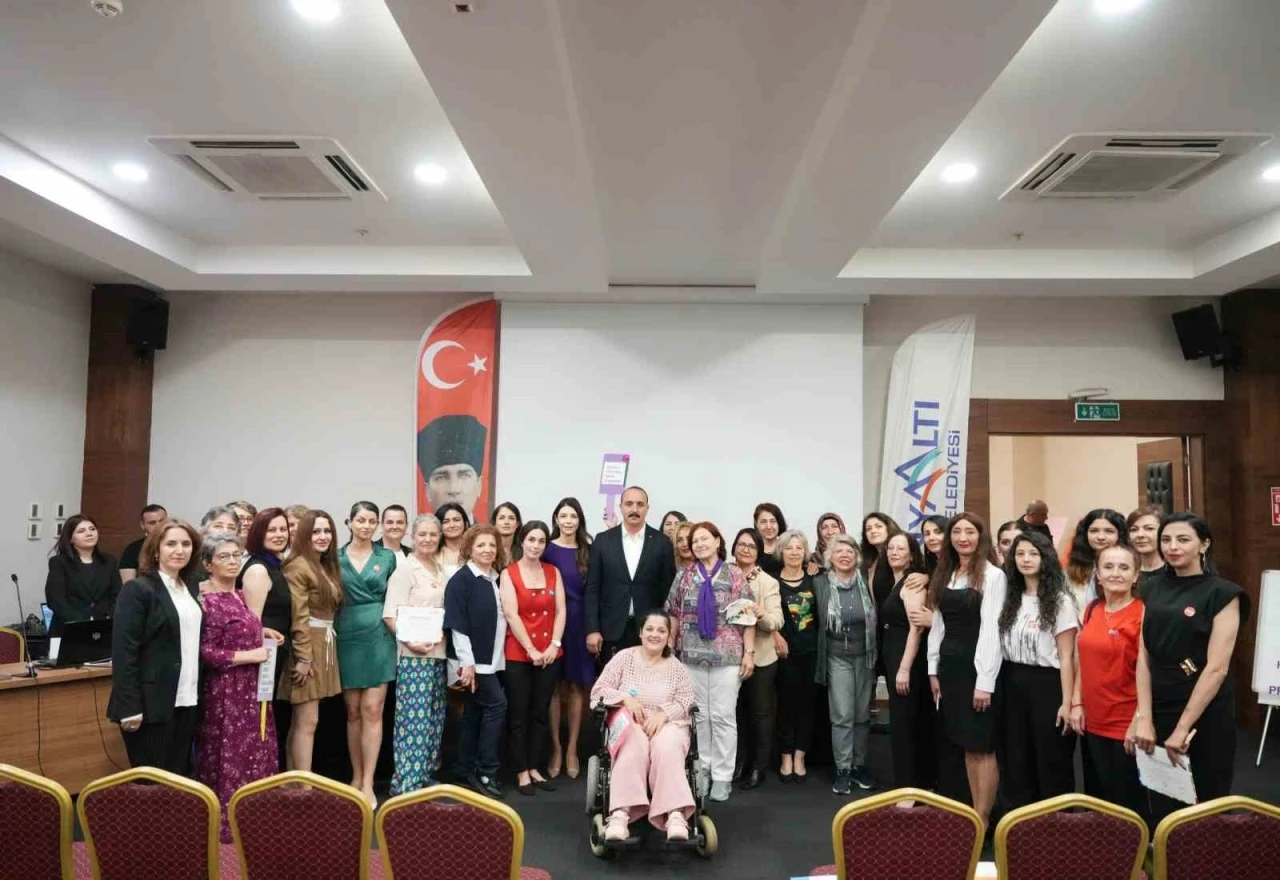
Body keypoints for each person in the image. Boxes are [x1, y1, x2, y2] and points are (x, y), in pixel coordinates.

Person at [1133, 513, 1249, 828]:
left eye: (1183, 539)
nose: (1173, 547)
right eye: (1166, 540)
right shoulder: (1151, 587)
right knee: (1163, 798)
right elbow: (1144, 655)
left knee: (1206, 800)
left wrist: (1183, 727)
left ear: (1204, 544)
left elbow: (1217, 668)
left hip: (1204, 708)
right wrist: (1144, 718)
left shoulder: (1224, 593)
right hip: (1160, 701)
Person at [194, 534, 284, 841]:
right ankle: (227, 824)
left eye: (236, 555)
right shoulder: (208, 603)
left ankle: (255, 819)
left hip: (252, 687)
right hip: (227, 690)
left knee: (256, 750)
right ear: (208, 565)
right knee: (229, 754)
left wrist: (263, 632)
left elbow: (240, 630)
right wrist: (251, 655)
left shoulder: (241, 596)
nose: (232, 561)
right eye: (224, 557)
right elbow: (207, 652)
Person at [665, 521, 754, 803]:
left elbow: (748, 617)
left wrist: (749, 653)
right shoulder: (685, 575)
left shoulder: (734, 574)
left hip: (727, 657)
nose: (699, 544)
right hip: (690, 656)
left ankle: (723, 776)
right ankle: (702, 769)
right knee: (700, 716)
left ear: (717, 541)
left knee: (723, 716)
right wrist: (670, 646)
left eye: (705, 539)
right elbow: (673, 614)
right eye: (695, 541)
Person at [927, 512, 1006, 832]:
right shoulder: (945, 572)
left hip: (978, 670)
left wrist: (984, 682)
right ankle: (974, 813)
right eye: (957, 532)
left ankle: (983, 819)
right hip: (951, 668)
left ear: (980, 536)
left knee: (981, 746)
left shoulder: (993, 576)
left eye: (970, 532)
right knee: (964, 742)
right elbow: (938, 624)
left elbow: (991, 630)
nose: (963, 537)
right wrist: (933, 669)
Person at [591, 611, 697, 843]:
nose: (654, 635)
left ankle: (675, 815)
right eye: (649, 629)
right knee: (633, 742)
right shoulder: (623, 658)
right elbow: (599, 691)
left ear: (668, 636)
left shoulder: (676, 667)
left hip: (666, 724)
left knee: (667, 745)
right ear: (640, 632)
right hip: (629, 723)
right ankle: (620, 814)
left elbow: (686, 700)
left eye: (661, 630)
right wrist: (624, 699)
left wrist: (664, 714)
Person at [107, 519, 203, 775]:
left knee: (180, 780)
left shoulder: (190, 589)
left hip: (187, 699)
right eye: (171, 544)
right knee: (153, 785)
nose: (179, 550)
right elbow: (124, 651)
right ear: (156, 550)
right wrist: (129, 707)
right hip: (150, 703)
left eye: (186, 544)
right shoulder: (139, 589)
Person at [996, 531, 1078, 808]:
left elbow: (1067, 656)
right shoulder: (1009, 597)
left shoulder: (1060, 600)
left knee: (1050, 757)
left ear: (1046, 558)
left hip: (1047, 684)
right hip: (1011, 679)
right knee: (1015, 757)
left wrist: (1067, 702)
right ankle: (1018, 822)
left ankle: (1056, 822)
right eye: (1020, 554)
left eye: (1033, 554)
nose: (1026, 559)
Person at [1071, 543, 1147, 826]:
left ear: (1135, 575)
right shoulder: (1092, 609)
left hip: (1125, 723)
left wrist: (1139, 720)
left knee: (1126, 804)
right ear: (1098, 574)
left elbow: (1149, 673)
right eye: (1109, 567)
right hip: (1092, 722)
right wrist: (1077, 703)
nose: (1116, 573)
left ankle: (1134, 854)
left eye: (1124, 567)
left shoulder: (1143, 614)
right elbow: (1082, 660)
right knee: (1096, 798)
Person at [336, 501, 398, 808]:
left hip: (379, 635)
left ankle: (369, 782)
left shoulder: (387, 557)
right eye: (360, 520)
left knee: (373, 709)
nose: (366, 526)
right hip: (346, 635)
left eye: (372, 521)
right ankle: (356, 777)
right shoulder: (334, 557)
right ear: (349, 522)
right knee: (352, 712)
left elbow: (397, 597)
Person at [382, 514, 449, 794]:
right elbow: (389, 615)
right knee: (413, 721)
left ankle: (424, 774)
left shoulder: (440, 569)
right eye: (422, 534)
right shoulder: (405, 570)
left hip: (438, 654)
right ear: (413, 536)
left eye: (433, 534)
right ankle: (406, 782)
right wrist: (410, 642)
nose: (428, 539)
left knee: (434, 717)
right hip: (413, 656)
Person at [501, 521, 566, 795]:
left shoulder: (553, 572)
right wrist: (531, 649)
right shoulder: (509, 573)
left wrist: (553, 645)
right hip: (519, 653)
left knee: (540, 712)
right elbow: (511, 614)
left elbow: (561, 611)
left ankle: (535, 766)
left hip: (550, 654)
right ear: (522, 541)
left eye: (541, 541)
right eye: (531, 540)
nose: (536, 546)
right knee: (518, 714)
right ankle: (520, 771)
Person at [444, 524, 508, 798]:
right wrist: (467, 663)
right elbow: (457, 625)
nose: (487, 550)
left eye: (492, 545)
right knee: (497, 705)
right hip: (472, 662)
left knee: (474, 713)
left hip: (491, 660)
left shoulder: (494, 578)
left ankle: (464, 768)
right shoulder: (462, 580)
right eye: (481, 545)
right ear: (469, 549)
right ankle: (486, 771)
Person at [815, 534, 879, 795]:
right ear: (830, 558)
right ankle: (842, 769)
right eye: (839, 551)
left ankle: (858, 766)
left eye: (850, 551)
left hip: (865, 656)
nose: (844, 555)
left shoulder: (867, 581)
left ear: (857, 557)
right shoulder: (820, 583)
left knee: (862, 715)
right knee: (842, 715)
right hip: (836, 656)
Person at [283, 510, 344, 774]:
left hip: (324, 643)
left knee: (303, 721)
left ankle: (292, 782)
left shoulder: (323, 565)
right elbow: (298, 616)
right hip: (307, 646)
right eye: (316, 531)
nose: (322, 536)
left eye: (327, 531)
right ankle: (305, 787)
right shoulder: (298, 565)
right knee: (307, 721)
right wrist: (304, 657)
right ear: (304, 535)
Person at [585, 486, 676, 662]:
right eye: (629, 504)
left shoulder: (662, 543)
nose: (634, 509)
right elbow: (592, 588)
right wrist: (592, 629)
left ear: (647, 508)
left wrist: (666, 630)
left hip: (649, 631)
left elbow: (667, 590)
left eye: (640, 504)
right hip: (610, 630)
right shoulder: (603, 541)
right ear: (620, 507)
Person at [881, 531, 938, 790]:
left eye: (900, 548)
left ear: (912, 555)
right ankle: (914, 784)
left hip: (907, 661)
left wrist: (904, 668)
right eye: (891, 548)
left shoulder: (912, 583)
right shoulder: (893, 581)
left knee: (905, 726)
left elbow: (917, 628)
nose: (894, 552)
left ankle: (909, 788)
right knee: (903, 722)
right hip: (895, 657)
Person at [238, 507, 294, 768]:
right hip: (262, 659)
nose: (279, 534)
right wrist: (262, 631)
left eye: (283, 529)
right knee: (259, 720)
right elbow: (250, 624)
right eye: (272, 530)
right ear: (259, 533)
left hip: (276, 654)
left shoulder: (275, 565)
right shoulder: (259, 569)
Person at [729, 527, 783, 790]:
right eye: (741, 544)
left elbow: (777, 621)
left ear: (759, 551)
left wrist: (761, 614)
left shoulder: (768, 582)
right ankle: (739, 763)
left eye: (751, 546)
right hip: (728, 657)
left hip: (761, 657)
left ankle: (759, 768)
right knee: (735, 714)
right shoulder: (724, 574)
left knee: (760, 714)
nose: (745, 549)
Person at [544, 497, 593, 779]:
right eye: (563, 515)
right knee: (552, 687)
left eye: (573, 516)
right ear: (556, 519)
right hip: (550, 625)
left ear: (579, 520)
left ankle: (572, 748)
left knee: (576, 687)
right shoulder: (546, 549)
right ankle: (556, 748)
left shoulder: (588, 550)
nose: (568, 521)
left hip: (579, 624)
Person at [775, 529, 818, 783]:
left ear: (805, 552)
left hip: (812, 653)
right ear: (781, 552)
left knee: (807, 706)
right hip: (784, 655)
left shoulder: (816, 579)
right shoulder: (772, 580)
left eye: (798, 548)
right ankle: (785, 756)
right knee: (786, 706)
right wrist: (774, 635)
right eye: (789, 548)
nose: (794, 552)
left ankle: (800, 756)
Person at [44, 513, 122, 637]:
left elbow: (118, 595)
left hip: (104, 627)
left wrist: (108, 617)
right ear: (70, 538)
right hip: (70, 629)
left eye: (92, 529)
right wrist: (84, 621)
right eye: (81, 531)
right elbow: (55, 600)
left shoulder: (109, 561)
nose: (89, 533)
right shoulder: (59, 562)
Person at [417, 413, 487, 518]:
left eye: (464, 475)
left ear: (479, 486)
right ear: (427, 491)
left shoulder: (488, 530)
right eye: (441, 477)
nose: (454, 489)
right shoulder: (418, 529)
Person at [1066, 508, 1128, 611]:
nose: (1101, 537)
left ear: (1120, 535)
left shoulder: (1129, 568)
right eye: (1094, 531)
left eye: (1109, 531)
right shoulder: (1073, 570)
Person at [118, 503, 167, 581]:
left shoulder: (179, 545)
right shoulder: (132, 550)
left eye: (161, 521)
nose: (158, 526)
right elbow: (128, 584)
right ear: (142, 525)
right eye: (152, 523)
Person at [1126, 505, 1165, 597]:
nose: (1140, 535)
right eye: (1134, 529)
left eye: (1149, 528)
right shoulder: (1124, 569)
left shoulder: (1175, 570)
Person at [435, 502, 470, 577]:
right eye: (446, 522)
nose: (452, 525)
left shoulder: (474, 550)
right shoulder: (432, 553)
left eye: (456, 520)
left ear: (465, 523)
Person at [753, 502, 786, 577]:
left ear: (779, 523)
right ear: (756, 524)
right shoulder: (750, 550)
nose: (768, 526)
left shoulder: (787, 547)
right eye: (763, 522)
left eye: (773, 521)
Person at [491, 501, 523, 569]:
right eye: (501, 518)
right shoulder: (488, 550)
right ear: (494, 523)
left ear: (517, 524)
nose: (506, 522)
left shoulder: (524, 551)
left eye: (511, 518)